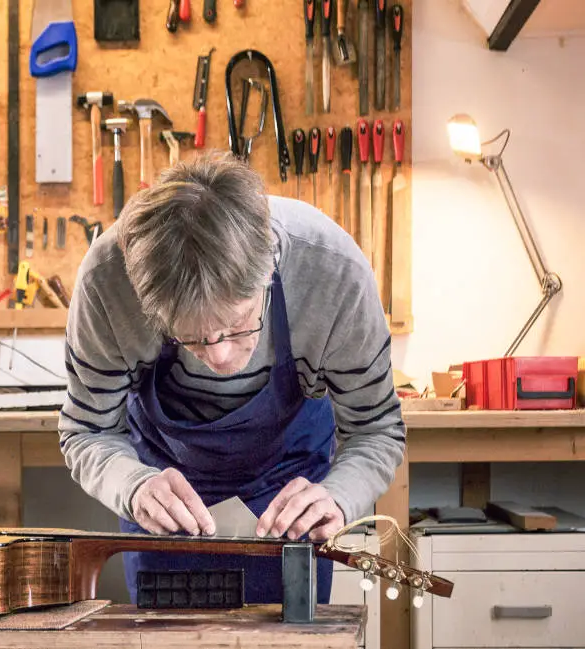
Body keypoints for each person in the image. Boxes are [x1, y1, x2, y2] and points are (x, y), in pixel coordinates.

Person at [58, 150, 406, 604]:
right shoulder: (107, 282)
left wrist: (337, 497)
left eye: (240, 325)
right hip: (166, 494)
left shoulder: (332, 273)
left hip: (291, 493)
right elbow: (86, 431)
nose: (219, 356)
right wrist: (133, 486)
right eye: (192, 339)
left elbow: (377, 430)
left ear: (269, 272)